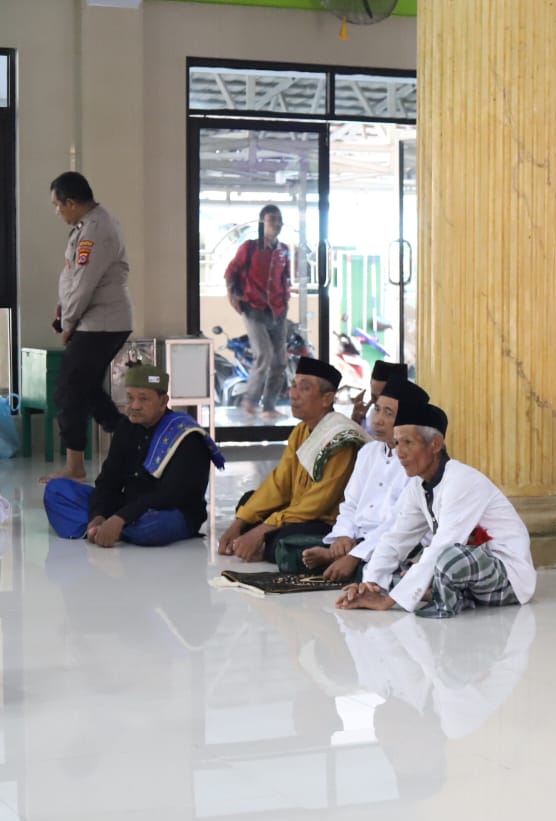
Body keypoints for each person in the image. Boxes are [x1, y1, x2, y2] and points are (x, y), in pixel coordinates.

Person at [338, 404, 537, 618]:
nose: (399, 453)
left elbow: (445, 544)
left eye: (408, 443)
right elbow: (397, 538)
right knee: (404, 571)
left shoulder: (461, 480)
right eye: (396, 443)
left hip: (507, 575)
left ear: (435, 444)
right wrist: (371, 584)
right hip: (467, 574)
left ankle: (445, 598)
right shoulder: (418, 485)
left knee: (447, 558)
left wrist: (387, 601)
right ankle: (446, 593)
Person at [42, 363, 225, 547]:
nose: (135, 406)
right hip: (128, 506)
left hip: (169, 512)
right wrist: (99, 515)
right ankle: (103, 529)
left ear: (163, 402)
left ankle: (113, 530)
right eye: (130, 398)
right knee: (56, 490)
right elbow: (108, 481)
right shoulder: (126, 427)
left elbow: (169, 495)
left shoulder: (186, 436)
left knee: (152, 526)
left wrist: (120, 518)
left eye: (144, 399)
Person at [218, 358, 368, 565]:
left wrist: (261, 530)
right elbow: (279, 484)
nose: (293, 394)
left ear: (327, 399)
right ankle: (263, 543)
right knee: (247, 502)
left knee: (283, 540)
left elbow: (316, 506)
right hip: (298, 511)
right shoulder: (301, 430)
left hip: (326, 521)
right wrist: (238, 523)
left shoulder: (340, 440)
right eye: (293, 386)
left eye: (304, 388)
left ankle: (268, 546)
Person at [43, 171, 133, 483]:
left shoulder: (96, 229)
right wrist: (63, 307)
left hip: (101, 323)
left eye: (57, 205)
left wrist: (68, 323)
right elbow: (75, 277)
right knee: (88, 388)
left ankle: (75, 466)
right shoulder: (90, 224)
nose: (57, 212)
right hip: (98, 321)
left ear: (72, 202)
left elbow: (85, 284)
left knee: (68, 389)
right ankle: (131, 440)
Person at [298, 377, 431, 580]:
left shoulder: (416, 462)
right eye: (377, 410)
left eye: (388, 413)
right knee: (290, 550)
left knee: (375, 572)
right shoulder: (368, 452)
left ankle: (345, 559)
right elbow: (350, 503)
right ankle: (339, 555)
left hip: (397, 542)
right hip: (359, 537)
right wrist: (343, 536)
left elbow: (399, 523)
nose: (377, 420)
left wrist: (354, 556)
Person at [223, 204, 294, 419]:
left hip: (278, 311)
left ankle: (269, 406)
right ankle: (250, 401)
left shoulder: (284, 250)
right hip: (253, 308)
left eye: (279, 219)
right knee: (264, 355)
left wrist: (285, 300)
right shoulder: (250, 248)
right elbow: (230, 272)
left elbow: (285, 278)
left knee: (280, 361)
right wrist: (233, 296)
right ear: (262, 223)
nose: (277, 223)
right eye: (272, 219)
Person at [354, 360, 399, 432]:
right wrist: (357, 421)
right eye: (374, 398)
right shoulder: (372, 413)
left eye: (382, 398)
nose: (377, 403)